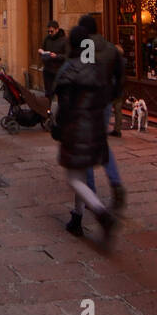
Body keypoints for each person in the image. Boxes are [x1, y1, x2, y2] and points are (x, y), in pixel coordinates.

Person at [52, 25, 117, 245]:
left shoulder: (69, 68)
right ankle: (77, 218)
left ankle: (101, 213)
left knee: (73, 178)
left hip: (75, 128)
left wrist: (57, 125)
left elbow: (61, 103)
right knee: (80, 175)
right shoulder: (96, 68)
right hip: (95, 128)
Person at [77, 14, 127, 212]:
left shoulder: (86, 46)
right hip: (105, 101)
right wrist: (114, 96)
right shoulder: (109, 46)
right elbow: (120, 73)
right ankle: (115, 182)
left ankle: (90, 190)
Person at [38, 20, 68, 99]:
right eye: (48, 31)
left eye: (52, 31)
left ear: (57, 29)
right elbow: (42, 48)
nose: (50, 33)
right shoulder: (47, 39)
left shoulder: (64, 40)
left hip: (59, 71)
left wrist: (57, 56)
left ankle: (62, 110)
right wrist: (41, 51)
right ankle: (47, 110)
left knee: (61, 94)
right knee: (48, 93)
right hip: (48, 70)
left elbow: (67, 56)